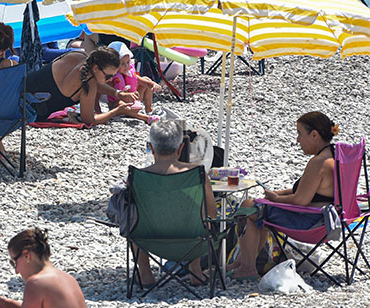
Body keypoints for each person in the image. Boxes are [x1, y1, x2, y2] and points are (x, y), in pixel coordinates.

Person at [227, 112, 338, 281]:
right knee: (259, 208)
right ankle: (243, 263)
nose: (297, 140)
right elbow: (308, 190)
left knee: (247, 208)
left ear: (314, 135)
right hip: (328, 219)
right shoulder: (334, 156)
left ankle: (247, 268)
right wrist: (277, 194)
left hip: (310, 223)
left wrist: (276, 200)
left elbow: (301, 200)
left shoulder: (318, 163)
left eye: (300, 133)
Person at [132, 119, 215, 285]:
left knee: (131, 218)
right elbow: (212, 214)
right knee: (201, 216)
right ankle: (195, 270)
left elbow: (130, 215)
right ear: (181, 148)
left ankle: (145, 274)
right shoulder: (196, 173)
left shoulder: (138, 177)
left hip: (149, 240)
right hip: (192, 242)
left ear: (151, 148)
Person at [25, 47, 141, 126]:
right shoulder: (88, 83)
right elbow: (89, 120)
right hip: (28, 112)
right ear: (96, 68)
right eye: (108, 76)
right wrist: (116, 111)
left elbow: (97, 83)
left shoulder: (78, 55)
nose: (110, 79)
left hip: (18, 90)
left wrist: (119, 94)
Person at [105, 42, 161, 123]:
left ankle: (149, 109)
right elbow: (109, 92)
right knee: (122, 106)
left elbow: (140, 80)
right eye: (122, 64)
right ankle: (145, 118)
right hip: (118, 103)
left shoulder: (129, 73)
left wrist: (153, 84)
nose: (126, 66)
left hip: (133, 99)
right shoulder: (111, 76)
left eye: (128, 62)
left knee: (146, 79)